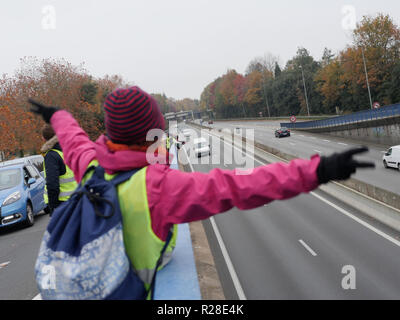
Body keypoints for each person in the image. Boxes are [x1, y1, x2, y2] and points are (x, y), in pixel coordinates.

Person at [29, 86, 374, 294]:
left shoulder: (93, 166)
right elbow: (241, 186)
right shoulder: (157, 188)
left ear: (110, 134)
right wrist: (318, 169)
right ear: (152, 133)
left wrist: (58, 115)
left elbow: (74, 140)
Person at [40, 124, 78, 216]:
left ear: (44, 139)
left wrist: (53, 206)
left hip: (63, 203)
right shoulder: (70, 150)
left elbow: (52, 184)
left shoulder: (51, 156)